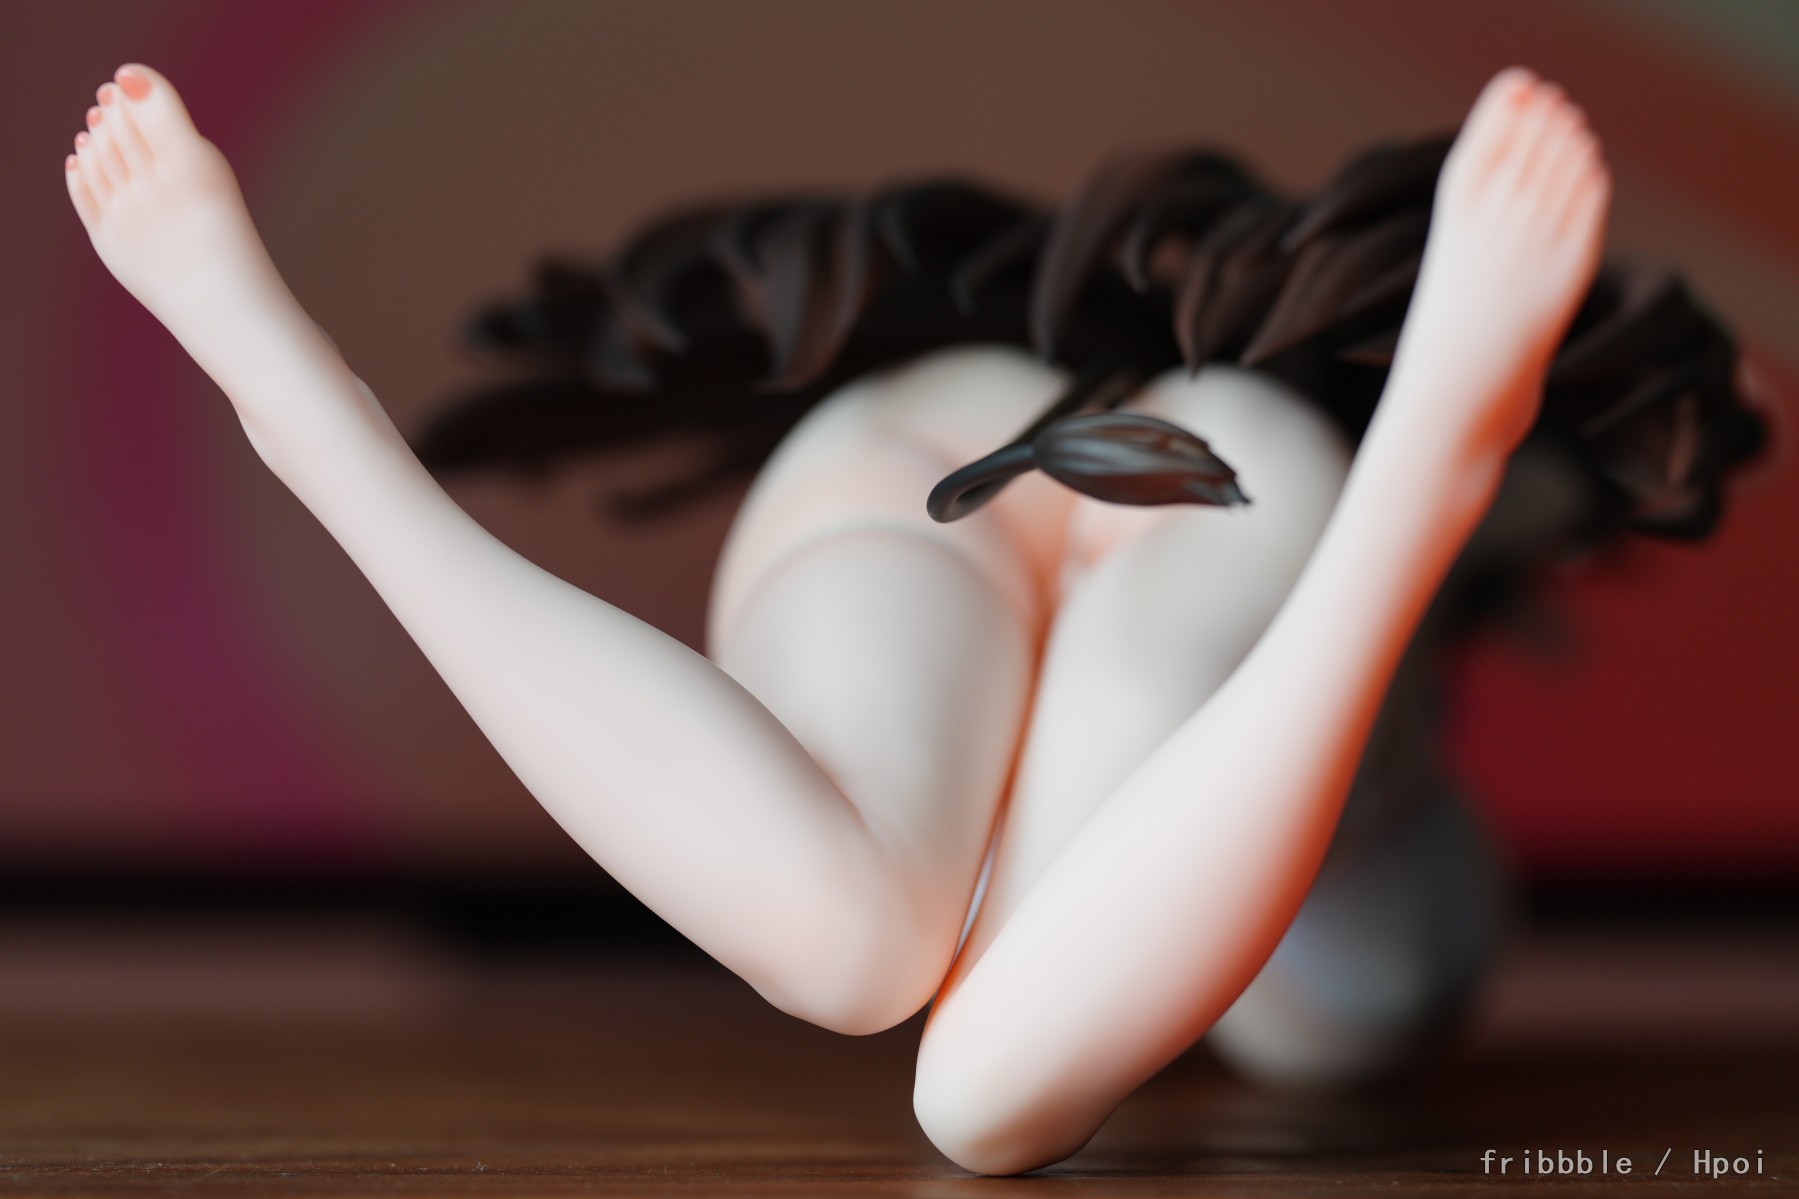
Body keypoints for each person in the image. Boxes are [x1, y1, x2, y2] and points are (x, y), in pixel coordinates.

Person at [62, 64, 1746, 1174]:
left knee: (866, 945)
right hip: (1237, 483)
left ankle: (327, 438)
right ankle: (1414, 493)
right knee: (1017, 1072)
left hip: (931, 447)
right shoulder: (1382, 872)